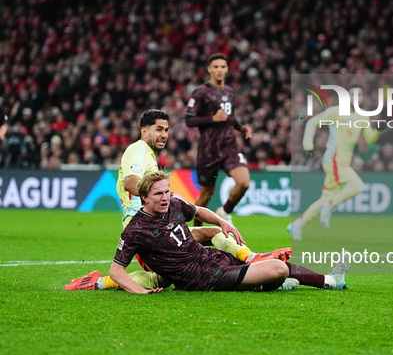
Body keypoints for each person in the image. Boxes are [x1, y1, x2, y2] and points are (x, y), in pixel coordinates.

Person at [66, 109, 289, 291]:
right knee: (165, 277)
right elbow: (131, 183)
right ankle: (98, 283)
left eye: (166, 130)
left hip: (159, 224)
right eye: (158, 130)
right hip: (146, 228)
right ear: (144, 131)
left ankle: (252, 259)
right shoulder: (138, 150)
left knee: (204, 240)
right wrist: (158, 195)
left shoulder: (148, 154)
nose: (164, 134)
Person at [110, 171, 350, 293]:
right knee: (278, 266)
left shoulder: (174, 203)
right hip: (201, 278)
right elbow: (116, 270)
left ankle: (269, 282)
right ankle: (331, 281)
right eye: (158, 194)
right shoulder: (136, 229)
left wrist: (224, 223)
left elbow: (199, 211)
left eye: (166, 191)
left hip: (210, 258)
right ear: (144, 197)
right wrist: (139, 292)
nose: (165, 198)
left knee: (265, 261)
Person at [289, 84, 382, 240]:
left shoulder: (363, 117)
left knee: (326, 197)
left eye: (359, 95)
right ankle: (330, 206)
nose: (356, 98)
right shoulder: (336, 112)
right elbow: (312, 122)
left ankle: (297, 224)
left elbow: (370, 138)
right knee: (358, 186)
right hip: (334, 159)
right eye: (352, 94)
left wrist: (378, 129)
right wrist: (308, 145)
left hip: (343, 162)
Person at [185, 53, 253, 226]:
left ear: (227, 69)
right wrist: (212, 119)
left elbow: (230, 116)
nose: (219, 70)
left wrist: (241, 128)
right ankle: (196, 234)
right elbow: (189, 119)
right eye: (216, 67)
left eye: (223, 67)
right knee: (206, 195)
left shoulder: (230, 92)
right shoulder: (200, 93)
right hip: (209, 150)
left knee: (244, 182)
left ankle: (225, 211)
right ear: (209, 69)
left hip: (230, 146)